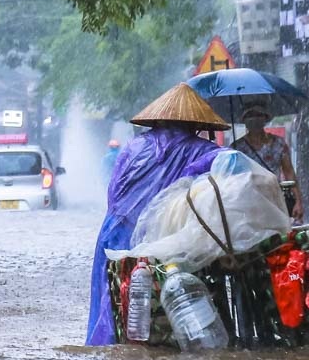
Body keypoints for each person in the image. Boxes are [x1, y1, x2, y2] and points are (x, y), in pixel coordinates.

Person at [85, 83, 230, 345]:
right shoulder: (201, 150)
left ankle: (108, 347)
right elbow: (228, 168)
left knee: (114, 303)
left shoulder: (132, 147)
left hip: (114, 232)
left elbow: (113, 193)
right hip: (161, 235)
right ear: (195, 124)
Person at [234, 102, 302, 220]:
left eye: (258, 115)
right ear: (244, 120)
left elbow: (289, 172)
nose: (254, 119)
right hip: (247, 203)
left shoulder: (279, 144)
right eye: (250, 115)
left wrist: (298, 201)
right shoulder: (237, 148)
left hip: (275, 199)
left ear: (265, 118)